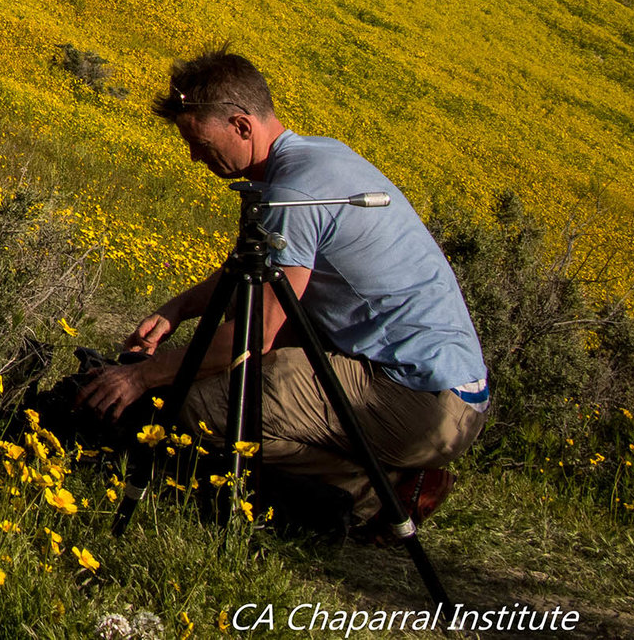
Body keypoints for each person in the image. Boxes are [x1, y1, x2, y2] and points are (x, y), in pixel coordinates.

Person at [76, 52, 488, 532]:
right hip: (451, 387)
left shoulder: (291, 194)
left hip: (419, 401)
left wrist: (142, 378)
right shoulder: (319, 156)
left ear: (242, 126)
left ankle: (379, 491)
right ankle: (385, 468)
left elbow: (255, 333)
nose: (194, 157)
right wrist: (178, 309)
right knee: (239, 368)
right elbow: (254, 274)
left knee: (204, 407)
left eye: (199, 142)